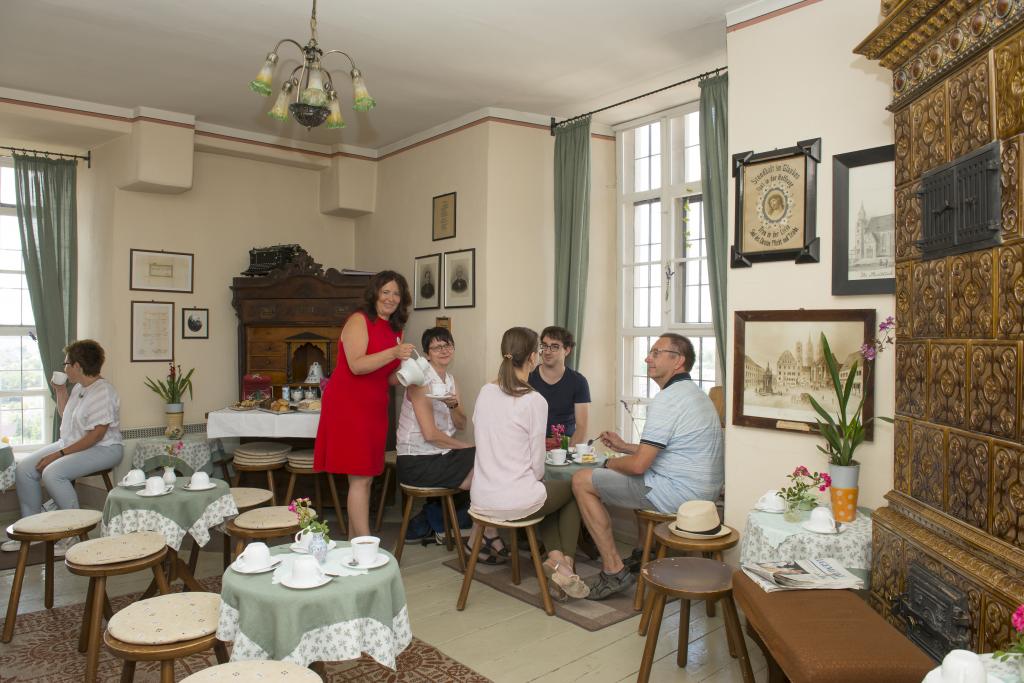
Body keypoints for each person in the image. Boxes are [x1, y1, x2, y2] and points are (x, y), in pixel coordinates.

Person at [571, 333, 723, 600]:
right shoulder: (695, 394)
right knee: (632, 473)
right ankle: (644, 554)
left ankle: (613, 569)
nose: (647, 358)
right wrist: (623, 446)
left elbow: (640, 466)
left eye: (656, 353)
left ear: (678, 361)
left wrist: (608, 462)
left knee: (582, 480)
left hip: (679, 494)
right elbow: (672, 450)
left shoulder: (667, 400)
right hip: (705, 494)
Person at [470, 327, 589, 599]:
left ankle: (556, 558)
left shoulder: (486, 391)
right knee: (572, 488)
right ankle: (564, 564)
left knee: (544, 496)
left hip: (480, 499)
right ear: (533, 357)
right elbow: (537, 466)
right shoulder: (535, 400)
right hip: (514, 501)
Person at [314, 271, 415, 539]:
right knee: (360, 476)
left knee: (367, 474)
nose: (392, 298)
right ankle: (364, 542)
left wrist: (411, 375)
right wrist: (394, 352)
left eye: (397, 294)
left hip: (374, 406)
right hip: (349, 405)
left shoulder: (396, 329)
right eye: (386, 292)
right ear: (375, 294)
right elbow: (357, 365)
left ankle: (353, 541)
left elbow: (387, 376)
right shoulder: (358, 321)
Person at [3, 340, 123, 554]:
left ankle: (73, 533)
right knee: (24, 470)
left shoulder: (103, 392)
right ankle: (33, 528)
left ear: (77, 366)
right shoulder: (79, 387)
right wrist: (60, 391)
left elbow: (97, 435)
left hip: (104, 448)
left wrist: (58, 454)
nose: (64, 367)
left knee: (53, 473)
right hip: (72, 443)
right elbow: (66, 416)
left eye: (67, 363)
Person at [396, 327, 474, 489]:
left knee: (484, 465)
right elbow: (430, 435)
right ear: (426, 354)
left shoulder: (451, 381)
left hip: (441, 454)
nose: (444, 351)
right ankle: (442, 512)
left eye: (448, 346)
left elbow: (461, 424)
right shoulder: (419, 380)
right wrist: (467, 447)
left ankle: (437, 513)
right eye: (437, 348)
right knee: (481, 461)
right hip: (417, 460)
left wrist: (453, 406)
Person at [529, 326, 591, 445]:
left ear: (567, 350)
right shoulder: (528, 379)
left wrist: (564, 454)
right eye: (545, 346)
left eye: (554, 347)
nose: (547, 351)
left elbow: (582, 430)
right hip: (532, 448)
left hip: (565, 450)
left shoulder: (579, 382)